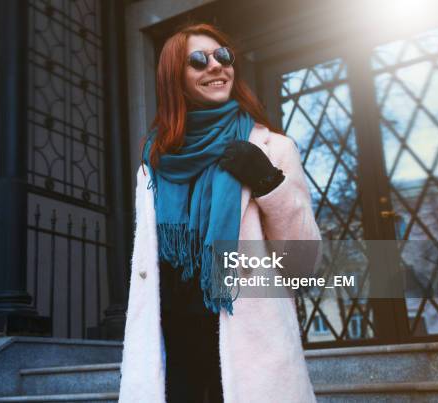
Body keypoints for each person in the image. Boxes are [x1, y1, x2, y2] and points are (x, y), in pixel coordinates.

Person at [119, 23, 320, 403]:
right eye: (198, 61)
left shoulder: (272, 148)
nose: (215, 66)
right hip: (174, 353)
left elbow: (303, 264)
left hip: (249, 352)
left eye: (222, 56)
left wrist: (267, 183)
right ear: (174, 79)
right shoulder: (154, 163)